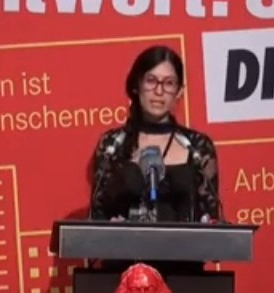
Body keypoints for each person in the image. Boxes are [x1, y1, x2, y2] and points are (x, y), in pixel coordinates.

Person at [87, 45, 222, 274]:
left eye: (168, 83)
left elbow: (211, 221)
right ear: (137, 85)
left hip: (184, 276)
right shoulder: (112, 145)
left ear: (179, 91)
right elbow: (97, 217)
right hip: (123, 276)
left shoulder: (198, 147)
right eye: (151, 81)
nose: (159, 91)